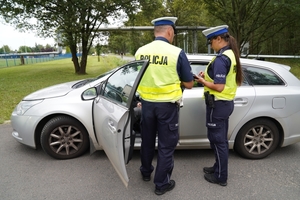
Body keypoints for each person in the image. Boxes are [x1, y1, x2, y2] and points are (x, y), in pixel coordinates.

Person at [135, 16, 194, 195]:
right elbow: (189, 84)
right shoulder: (176, 53)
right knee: (166, 146)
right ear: (169, 31)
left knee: (147, 140)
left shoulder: (140, 52)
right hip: (167, 108)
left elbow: (137, 78)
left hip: (146, 106)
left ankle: (146, 172)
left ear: (156, 31)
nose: (173, 36)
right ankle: (161, 184)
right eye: (173, 33)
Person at [194, 25, 243, 186]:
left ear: (219, 39)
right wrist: (206, 76)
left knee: (218, 140)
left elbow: (219, 86)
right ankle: (217, 167)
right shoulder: (230, 54)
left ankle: (221, 176)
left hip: (218, 104)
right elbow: (220, 79)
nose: (210, 45)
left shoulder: (222, 58)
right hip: (224, 104)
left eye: (211, 42)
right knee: (217, 139)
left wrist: (202, 81)